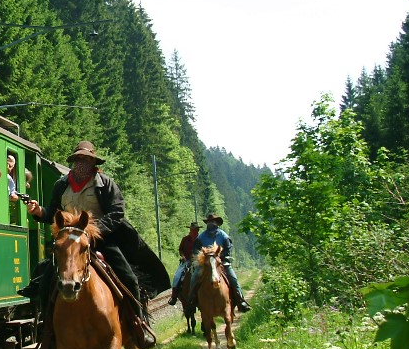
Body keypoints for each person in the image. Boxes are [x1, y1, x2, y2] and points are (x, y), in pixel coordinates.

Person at [21, 141, 168, 335]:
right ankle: (47, 329)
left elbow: (117, 212)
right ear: (74, 161)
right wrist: (39, 211)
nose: (81, 163)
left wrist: (93, 230)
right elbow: (54, 213)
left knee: (129, 279)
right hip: (69, 244)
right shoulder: (61, 185)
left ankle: (138, 324)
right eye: (78, 159)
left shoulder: (105, 183)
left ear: (93, 162)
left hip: (101, 240)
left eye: (86, 159)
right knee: (45, 279)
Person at [192, 212, 251, 312]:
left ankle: (240, 300)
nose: (211, 224)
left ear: (217, 223)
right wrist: (203, 258)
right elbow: (195, 250)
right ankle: (191, 300)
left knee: (233, 279)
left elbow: (228, 248)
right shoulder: (201, 237)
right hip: (205, 264)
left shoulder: (224, 236)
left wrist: (220, 257)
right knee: (194, 278)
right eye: (209, 222)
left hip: (221, 262)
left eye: (213, 222)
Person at [168, 221, 201, 305]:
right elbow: (180, 249)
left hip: (198, 262)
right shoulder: (185, 239)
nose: (193, 231)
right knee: (177, 276)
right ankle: (174, 296)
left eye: (195, 230)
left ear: (198, 230)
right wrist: (183, 256)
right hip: (186, 261)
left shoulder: (201, 240)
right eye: (192, 229)